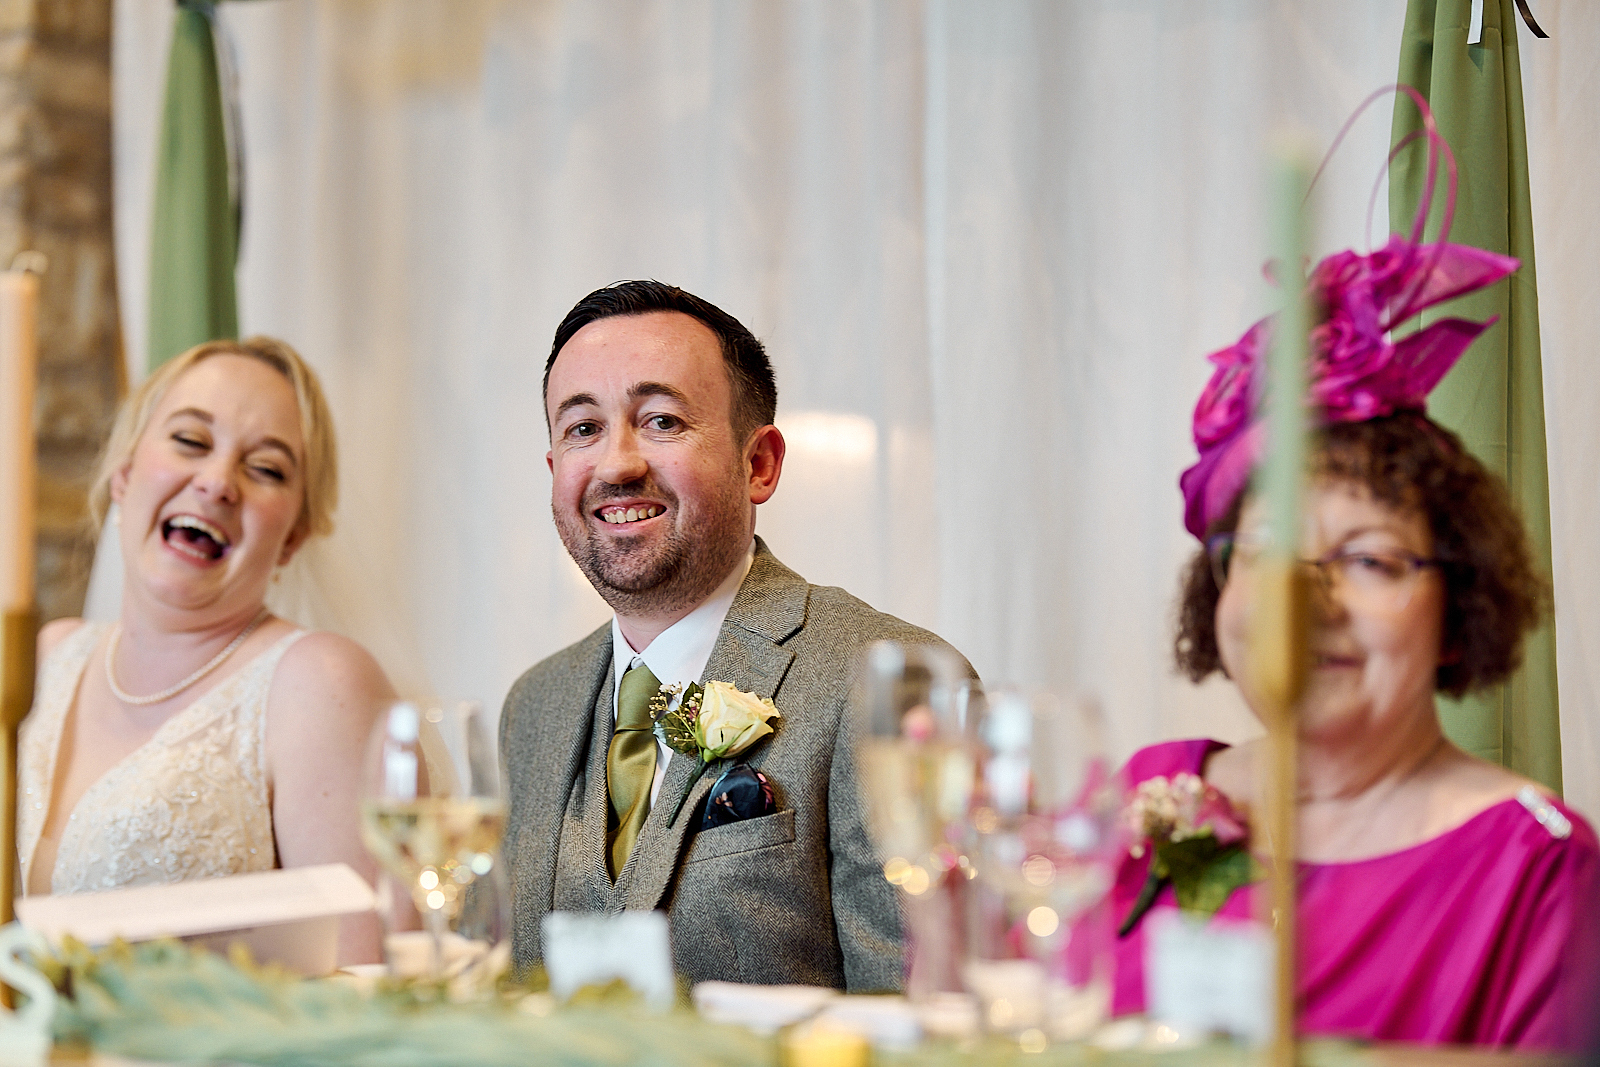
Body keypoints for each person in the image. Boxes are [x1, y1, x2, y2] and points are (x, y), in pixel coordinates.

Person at [1111, 225, 1599, 1046]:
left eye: (1369, 558)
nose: (1306, 600)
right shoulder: (1146, 795)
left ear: (1458, 608)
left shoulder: (1534, 865)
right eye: (1266, 550)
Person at [501, 280, 970, 991]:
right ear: (555, 470)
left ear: (760, 464)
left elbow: (921, 1014)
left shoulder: (891, 684)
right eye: (583, 429)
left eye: (661, 420)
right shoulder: (533, 705)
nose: (616, 465)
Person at [18, 337, 396, 964]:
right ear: (124, 474)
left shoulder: (319, 681)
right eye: (191, 441)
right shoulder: (48, 657)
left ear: (293, 537)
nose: (218, 482)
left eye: (266, 469)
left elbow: (370, 971)